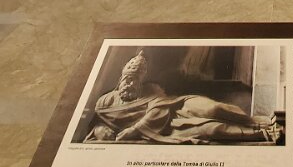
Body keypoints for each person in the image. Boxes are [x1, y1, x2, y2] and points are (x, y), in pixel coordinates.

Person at [84, 51, 282, 144]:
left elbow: (159, 109)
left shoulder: (151, 89)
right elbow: (101, 125)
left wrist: (133, 131)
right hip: (170, 128)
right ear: (121, 80)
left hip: (178, 107)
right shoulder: (105, 103)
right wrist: (100, 131)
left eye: (135, 80)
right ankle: (261, 133)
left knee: (214, 109)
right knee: (212, 129)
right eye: (128, 80)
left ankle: (258, 122)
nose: (130, 84)